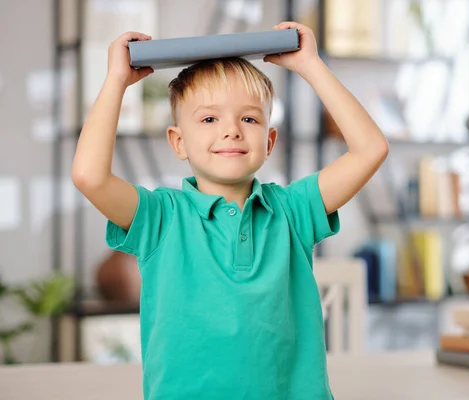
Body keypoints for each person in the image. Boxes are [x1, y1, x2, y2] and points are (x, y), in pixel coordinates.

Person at [72, 21, 389, 400]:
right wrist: (115, 82)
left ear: (269, 141)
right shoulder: (161, 217)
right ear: (178, 141)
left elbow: (371, 149)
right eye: (209, 118)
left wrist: (311, 65)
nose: (232, 131)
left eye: (250, 118)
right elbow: (89, 176)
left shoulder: (293, 210)